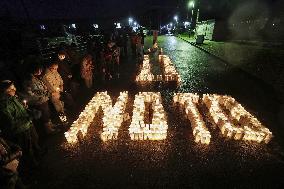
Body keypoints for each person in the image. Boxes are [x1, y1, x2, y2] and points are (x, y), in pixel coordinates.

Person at [0, 80, 42, 166]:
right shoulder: (3, 106)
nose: (14, 90)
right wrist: (29, 117)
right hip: (21, 131)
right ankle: (33, 165)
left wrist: (29, 111)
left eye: (14, 87)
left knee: (35, 139)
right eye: (10, 89)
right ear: (3, 92)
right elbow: (11, 124)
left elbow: (21, 110)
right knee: (27, 148)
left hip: (28, 124)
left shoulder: (14, 97)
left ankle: (39, 153)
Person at [22, 63, 58, 135]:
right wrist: (44, 95)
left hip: (43, 99)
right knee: (44, 115)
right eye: (39, 69)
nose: (41, 71)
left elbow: (41, 88)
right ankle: (48, 130)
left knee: (47, 113)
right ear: (34, 69)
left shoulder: (35, 77)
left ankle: (51, 125)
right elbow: (32, 93)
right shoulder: (29, 80)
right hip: (38, 101)